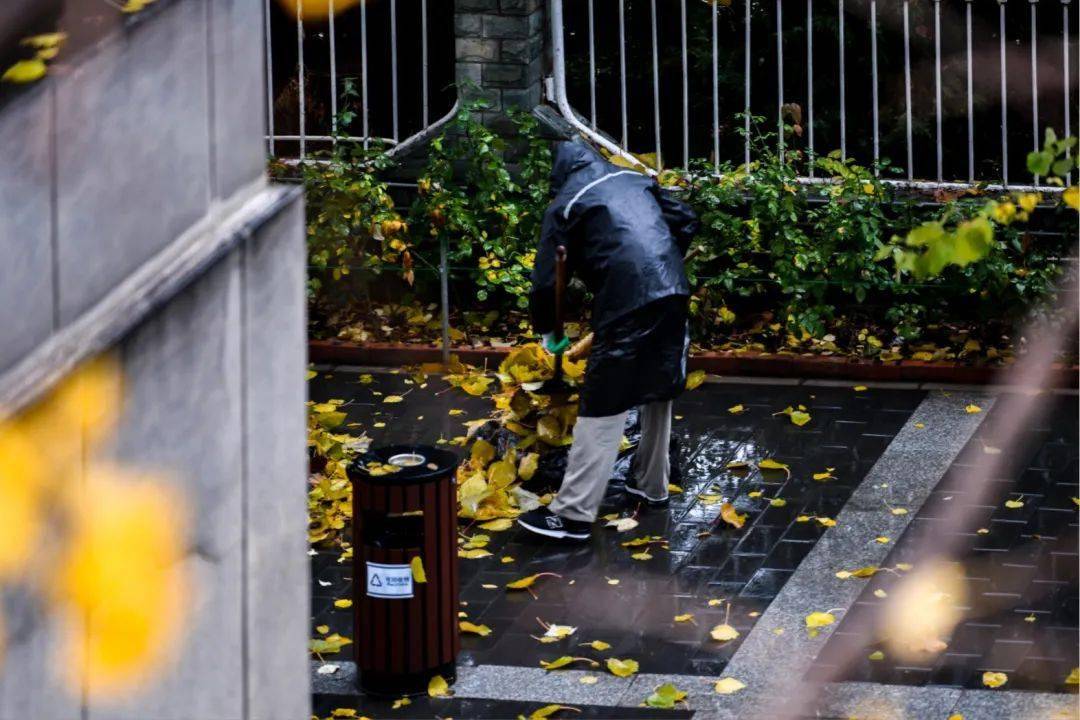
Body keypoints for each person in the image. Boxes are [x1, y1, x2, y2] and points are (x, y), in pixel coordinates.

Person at [517, 138, 699, 541]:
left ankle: (573, 515)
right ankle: (652, 488)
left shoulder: (565, 204)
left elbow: (546, 283)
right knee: (659, 385)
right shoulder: (634, 180)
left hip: (626, 301)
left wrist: (550, 332)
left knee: (603, 399)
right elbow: (685, 219)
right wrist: (661, 260)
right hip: (673, 288)